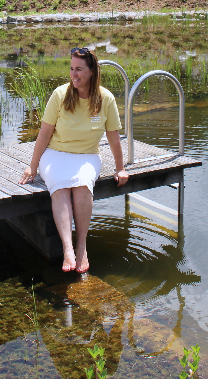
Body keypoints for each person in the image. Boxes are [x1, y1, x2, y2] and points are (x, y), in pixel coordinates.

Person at [20, 47, 128, 273]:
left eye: (79, 69)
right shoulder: (60, 95)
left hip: (87, 155)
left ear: (92, 72)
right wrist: (32, 166)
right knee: (59, 188)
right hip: (55, 154)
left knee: (81, 186)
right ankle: (67, 248)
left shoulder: (105, 99)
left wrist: (121, 168)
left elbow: (114, 138)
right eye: (71, 69)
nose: (74, 74)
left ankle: (82, 246)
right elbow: (44, 134)